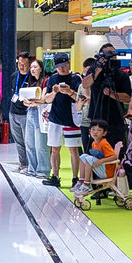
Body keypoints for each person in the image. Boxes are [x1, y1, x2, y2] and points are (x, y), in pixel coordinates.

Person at [41, 54, 80, 187]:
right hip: (55, 118)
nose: (62, 69)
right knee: (54, 149)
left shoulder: (76, 78)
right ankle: (55, 176)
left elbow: (81, 98)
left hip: (72, 119)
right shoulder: (52, 79)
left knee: (73, 149)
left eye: (63, 65)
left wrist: (69, 92)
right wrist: (54, 92)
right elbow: (47, 100)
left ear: (68, 63)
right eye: (59, 66)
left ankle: (75, 178)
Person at [87, 44, 132, 149]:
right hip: (96, 117)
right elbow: (85, 84)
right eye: (108, 54)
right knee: (96, 152)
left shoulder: (122, 74)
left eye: (113, 54)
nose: (112, 57)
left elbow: (127, 97)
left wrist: (112, 94)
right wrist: (98, 68)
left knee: (116, 151)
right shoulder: (94, 70)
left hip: (116, 119)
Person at [23, 57, 49, 179]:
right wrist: (29, 102)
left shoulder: (46, 81)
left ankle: (43, 170)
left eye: (35, 67)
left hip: (40, 113)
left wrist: (33, 102)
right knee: (29, 143)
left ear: (41, 68)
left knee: (40, 144)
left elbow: (43, 99)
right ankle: (31, 168)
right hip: (30, 112)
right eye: (31, 67)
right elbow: (25, 100)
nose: (32, 69)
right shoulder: (31, 82)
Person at [74, 119, 118, 191]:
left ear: (104, 133)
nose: (95, 132)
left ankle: (87, 184)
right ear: (89, 131)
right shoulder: (94, 143)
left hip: (107, 171)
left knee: (89, 158)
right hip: (100, 168)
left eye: (99, 130)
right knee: (83, 156)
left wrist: (101, 161)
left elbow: (114, 157)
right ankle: (81, 181)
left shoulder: (104, 143)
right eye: (93, 129)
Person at [8, 52, 34, 172]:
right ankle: (23, 164)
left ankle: (31, 165)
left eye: (24, 64)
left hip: (26, 113)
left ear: (30, 64)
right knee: (18, 141)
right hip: (13, 112)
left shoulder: (32, 77)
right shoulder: (14, 75)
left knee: (28, 141)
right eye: (19, 64)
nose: (21, 67)